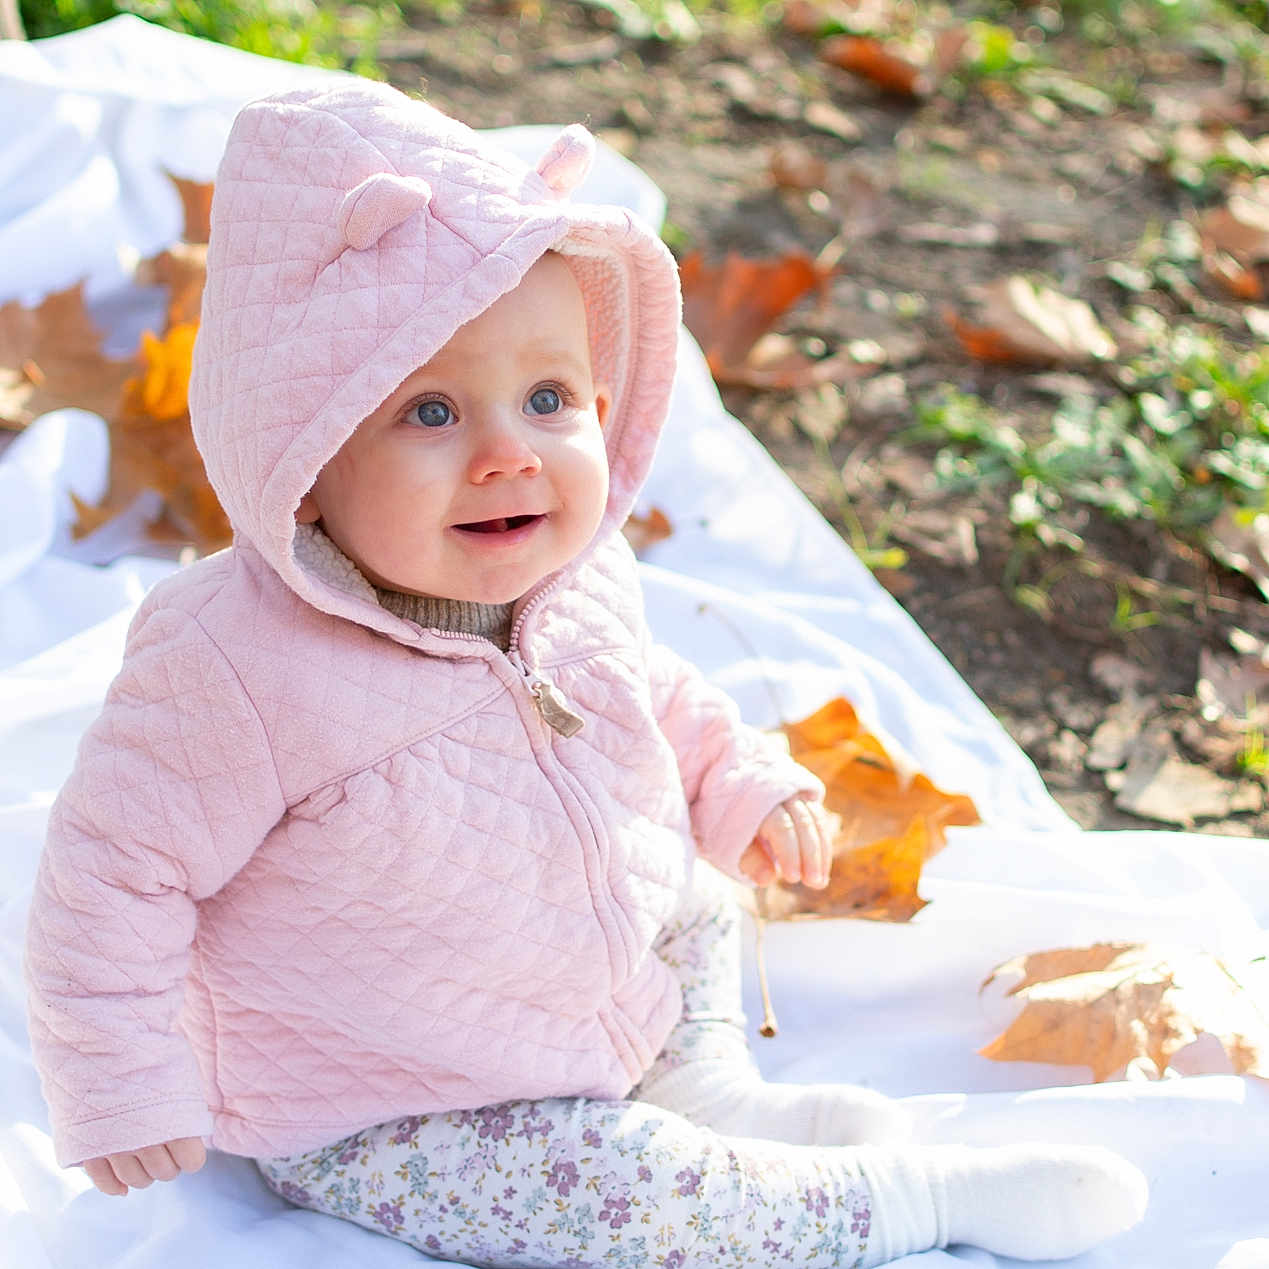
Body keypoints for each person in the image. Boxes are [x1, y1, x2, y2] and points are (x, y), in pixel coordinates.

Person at [24, 80, 1147, 1267]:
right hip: (397, 1096)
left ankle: (713, 1092)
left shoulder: (577, 574)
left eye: (549, 398)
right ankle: (908, 1206)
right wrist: (120, 1083)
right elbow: (111, 875)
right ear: (304, 454)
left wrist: (737, 780)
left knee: (704, 907)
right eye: (433, 412)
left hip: (602, 985)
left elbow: (647, 690)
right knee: (630, 1197)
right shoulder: (233, 670)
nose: (510, 453)